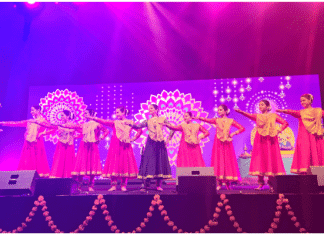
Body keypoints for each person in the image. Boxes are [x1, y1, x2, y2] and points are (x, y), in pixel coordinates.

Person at [235, 100, 288, 192]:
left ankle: (271, 184)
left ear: (268, 106)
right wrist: (241, 112)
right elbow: (249, 115)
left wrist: (278, 130)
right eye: (259, 105)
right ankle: (261, 184)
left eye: (262, 105)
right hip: (260, 140)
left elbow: (285, 123)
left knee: (270, 159)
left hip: (271, 140)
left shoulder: (274, 115)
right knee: (260, 159)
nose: (260, 106)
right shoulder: (257, 116)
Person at [88, 106, 142, 191]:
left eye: (118, 112)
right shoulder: (114, 122)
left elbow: (139, 130)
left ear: (123, 112)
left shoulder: (130, 122)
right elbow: (104, 121)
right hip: (115, 146)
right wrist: (93, 118)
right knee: (114, 163)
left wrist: (133, 139)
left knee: (125, 164)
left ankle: (123, 185)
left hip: (125, 146)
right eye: (116, 113)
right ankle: (113, 185)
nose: (116, 114)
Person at [197, 104, 245, 190]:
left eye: (221, 110)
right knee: (218, 160)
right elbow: (208, 120)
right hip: (218, 143)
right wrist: (199, 118)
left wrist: (233, 134)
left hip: (227, 144)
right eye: (218, 110)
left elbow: (242, 128)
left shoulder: (231, 121)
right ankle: (218, 183)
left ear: (226, 111)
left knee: (227, 161)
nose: (219, 111)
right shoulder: (217, 120)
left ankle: (228, 184)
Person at [61, 109, 109, 191]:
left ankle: (90, 186)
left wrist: (100, 138)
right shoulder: (84, 125)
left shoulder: (97, 124)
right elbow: (73, 126)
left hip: (93, 146)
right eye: (85, 113)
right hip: (84, 146)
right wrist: (61, 125)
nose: (85, 115)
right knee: (81, 164)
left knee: (92, 165)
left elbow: (106, 131)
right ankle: (79, 186)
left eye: (86, 113)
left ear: (91, 114)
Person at [130, 104, 174, 191]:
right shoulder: (148, 121)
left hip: (160, 143)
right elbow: (138, 126)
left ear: (156, 110)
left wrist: (168, 139)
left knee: (159, 161)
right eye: (149, 108)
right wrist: (130, 123)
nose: (149, 109)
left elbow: (172, 128)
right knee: (149, 161)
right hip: (150, 143)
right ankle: (146, 184)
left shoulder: (162, 119)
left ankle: (158, 185)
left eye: (151, 108)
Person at [277, 94, 324, 174]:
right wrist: (283, 111)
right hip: (304, 138)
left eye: (304, 100)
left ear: (310, 100)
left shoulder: (318, 111)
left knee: (316, 154)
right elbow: (292, 112)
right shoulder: (301, 112)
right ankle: (306, 181)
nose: (302, 102)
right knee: (304, 155)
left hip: (315, 137)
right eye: (301, 101)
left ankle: (319, 180)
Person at [0, 105, 50, 177]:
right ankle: (26, 178)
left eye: (33, 110)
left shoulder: (43, 121)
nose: (31, 112)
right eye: (31, 110)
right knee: (27, 160)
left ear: (38, 110)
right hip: (28, 144)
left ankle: (36, 179)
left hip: (37, 144)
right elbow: (17, 123)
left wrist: (43, 133)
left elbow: (53, 128)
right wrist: (3, 123)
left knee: (37, 160)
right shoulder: (30, 121)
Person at [35, 110, 79, 178]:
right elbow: (51, 130)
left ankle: (68, 178)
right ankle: (58, 179)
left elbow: (82, 132)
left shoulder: (73, 125)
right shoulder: (59, 125)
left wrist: (75, 137)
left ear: (67, 116)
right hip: (61, 146)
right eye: (60, 115)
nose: (61, 117)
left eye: (62, 115)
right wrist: (42, 133)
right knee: (59, 162)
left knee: (68, 162)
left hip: (69, 146)